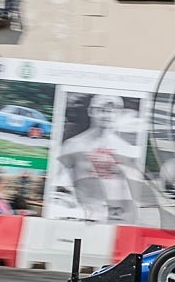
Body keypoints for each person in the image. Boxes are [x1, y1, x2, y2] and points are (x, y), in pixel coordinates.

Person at [54, 94, 145, 223]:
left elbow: (130, 190)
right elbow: (59, 186)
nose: (108, 115)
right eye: (102, 110)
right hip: (80, 215)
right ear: (91, 111)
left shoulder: (126, 150)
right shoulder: (73, 145)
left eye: (113, 111)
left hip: (113, 218)